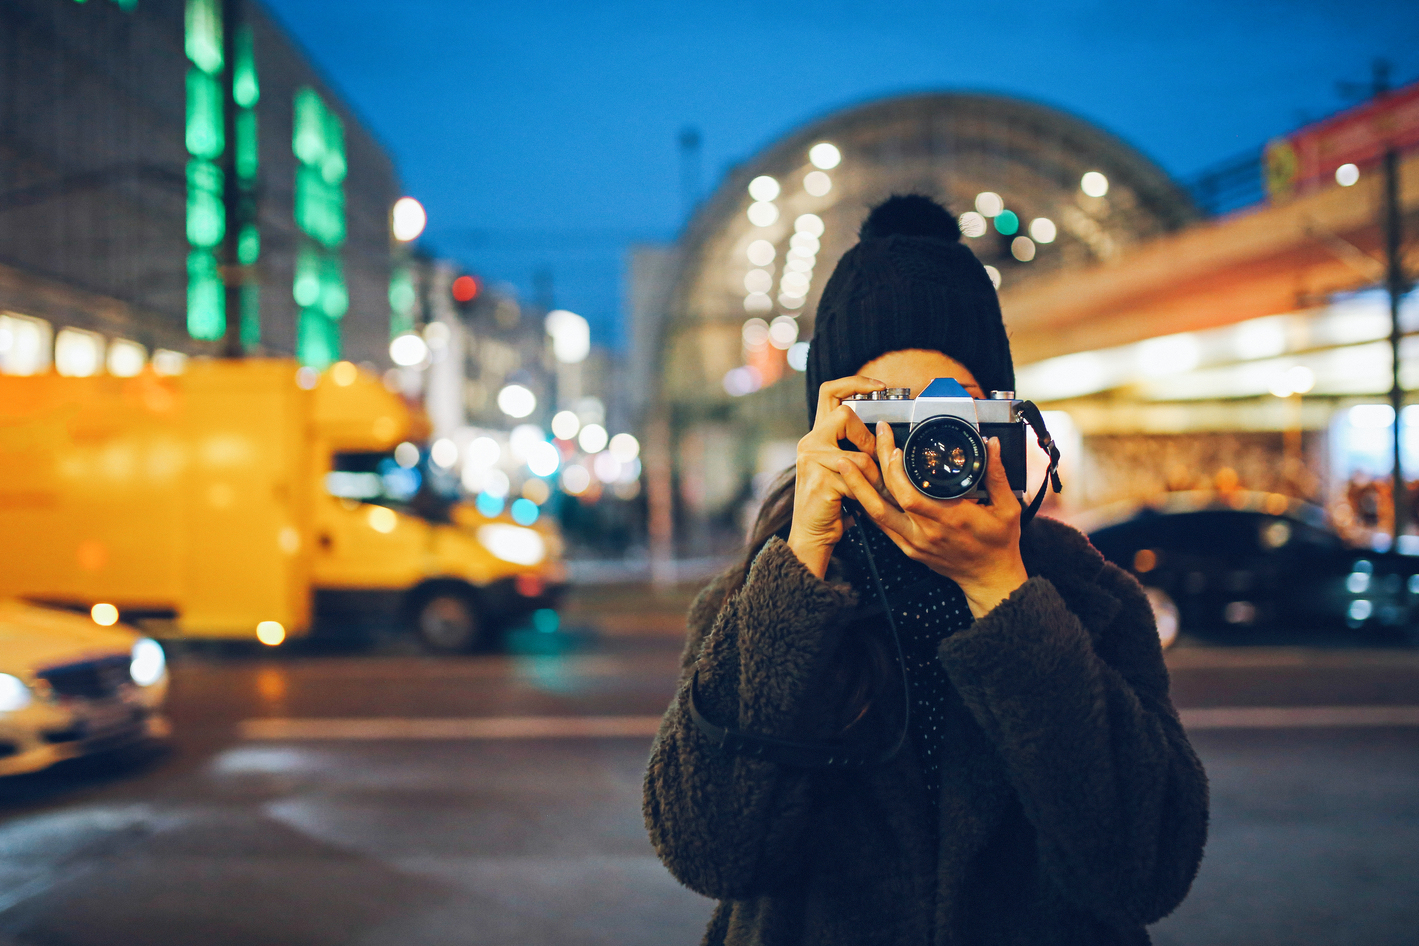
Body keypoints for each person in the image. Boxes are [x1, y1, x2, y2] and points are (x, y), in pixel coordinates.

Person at [643, 195, 1208, 945]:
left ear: (1002, 425)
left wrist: (1001, 594)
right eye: (887, 413)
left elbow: (1143, 873)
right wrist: (799, 570)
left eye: (954, 414)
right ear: (830, 427)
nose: (926, 447)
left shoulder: (1087, 598)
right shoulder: (759, 600)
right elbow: (705, 852)